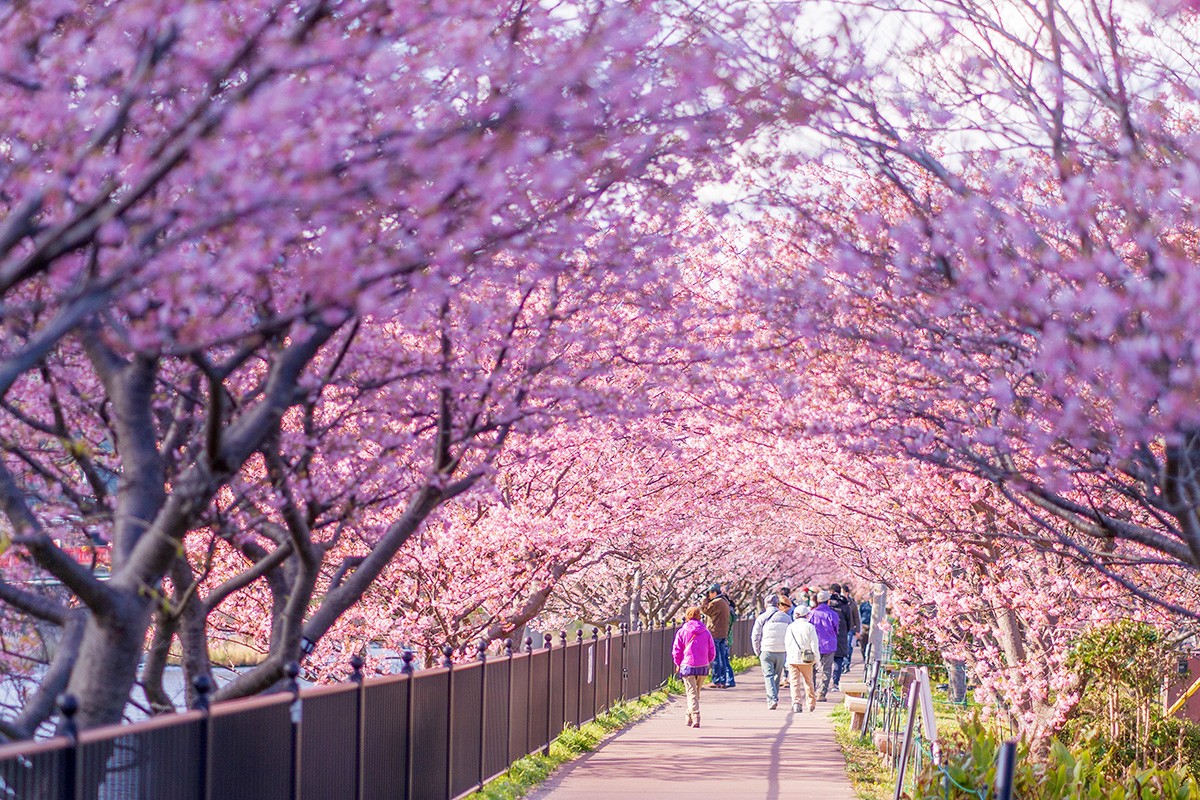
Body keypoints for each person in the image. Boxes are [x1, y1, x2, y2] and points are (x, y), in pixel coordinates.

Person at [672, 606, 717, 728]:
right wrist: (708, 660)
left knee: (692, 693)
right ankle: (688, 715)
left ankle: (696, 716)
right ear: (699, 616)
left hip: (688, 665)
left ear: (687, 616)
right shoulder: (706, 632)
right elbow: (712, 651)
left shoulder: (682, 631)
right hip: (703, 665)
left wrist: (678, 663)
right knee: (695, 693)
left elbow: (676, 651)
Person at [751, 592, 793, 710]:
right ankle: (774, 697)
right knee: (777, 675)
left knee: (768, 675)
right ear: (777, 604)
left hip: (767, 649)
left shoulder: (762, 617)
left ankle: (772, 699)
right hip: (781, 651)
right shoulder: (786, 617)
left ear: (766, 604)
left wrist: (757, 651)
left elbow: (755, 636)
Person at [784, 604, 821, 713]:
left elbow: (787, 643)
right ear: (807, 615)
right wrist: (817, 659)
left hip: (792, 658)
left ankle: (796, 703)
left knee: (794, 682)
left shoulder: (790, 627)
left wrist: (788, 657)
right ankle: (811, 703)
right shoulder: (810, 627)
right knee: (808, 681)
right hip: (806, 658)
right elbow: (814, 644)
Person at [808, 590, 842, 701]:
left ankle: (811, 691)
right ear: (828, 601)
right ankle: (821, 693)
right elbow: (837, 629)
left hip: (815, 645)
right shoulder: (833, 614)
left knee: (812, 669)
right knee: (826, 670)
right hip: (829, 644)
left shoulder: (812, 613)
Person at [701, 583, 736, 688]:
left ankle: (717, 680)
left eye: (709, 593)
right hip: (722, 633)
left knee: (716, 658)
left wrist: (704, 600)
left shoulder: (717, 602)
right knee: (721, 657)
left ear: (714, 592)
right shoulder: (724, 601)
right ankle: (723, 680)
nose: (709, 596)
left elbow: (705, 610)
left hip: (715, 633)